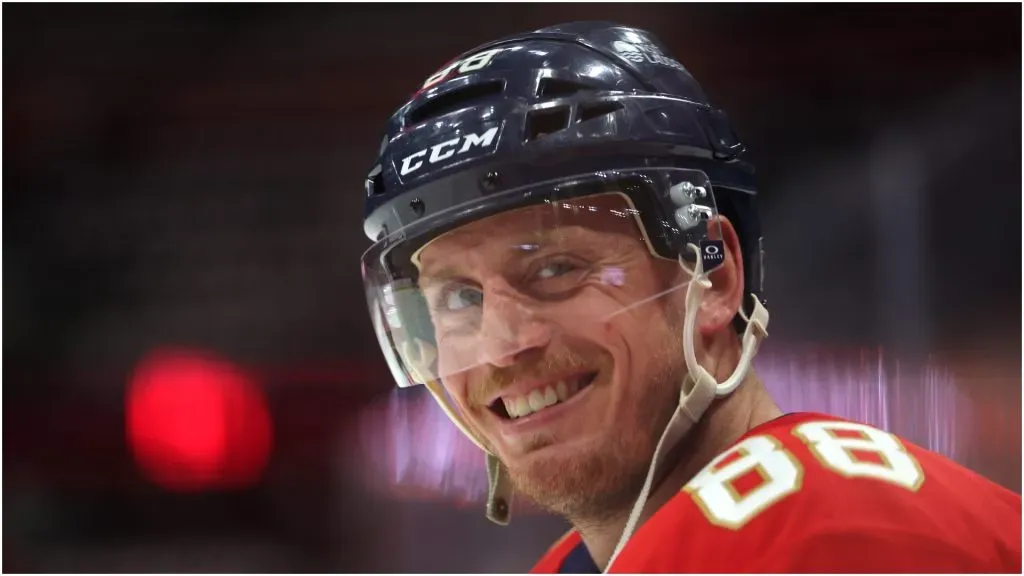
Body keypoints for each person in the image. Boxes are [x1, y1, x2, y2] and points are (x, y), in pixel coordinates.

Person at [359, 21, 1021, 573]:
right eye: (456, 299)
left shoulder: (840, 545)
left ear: (714, 278)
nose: (504, 344)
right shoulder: (586, 561)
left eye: (555, 269)